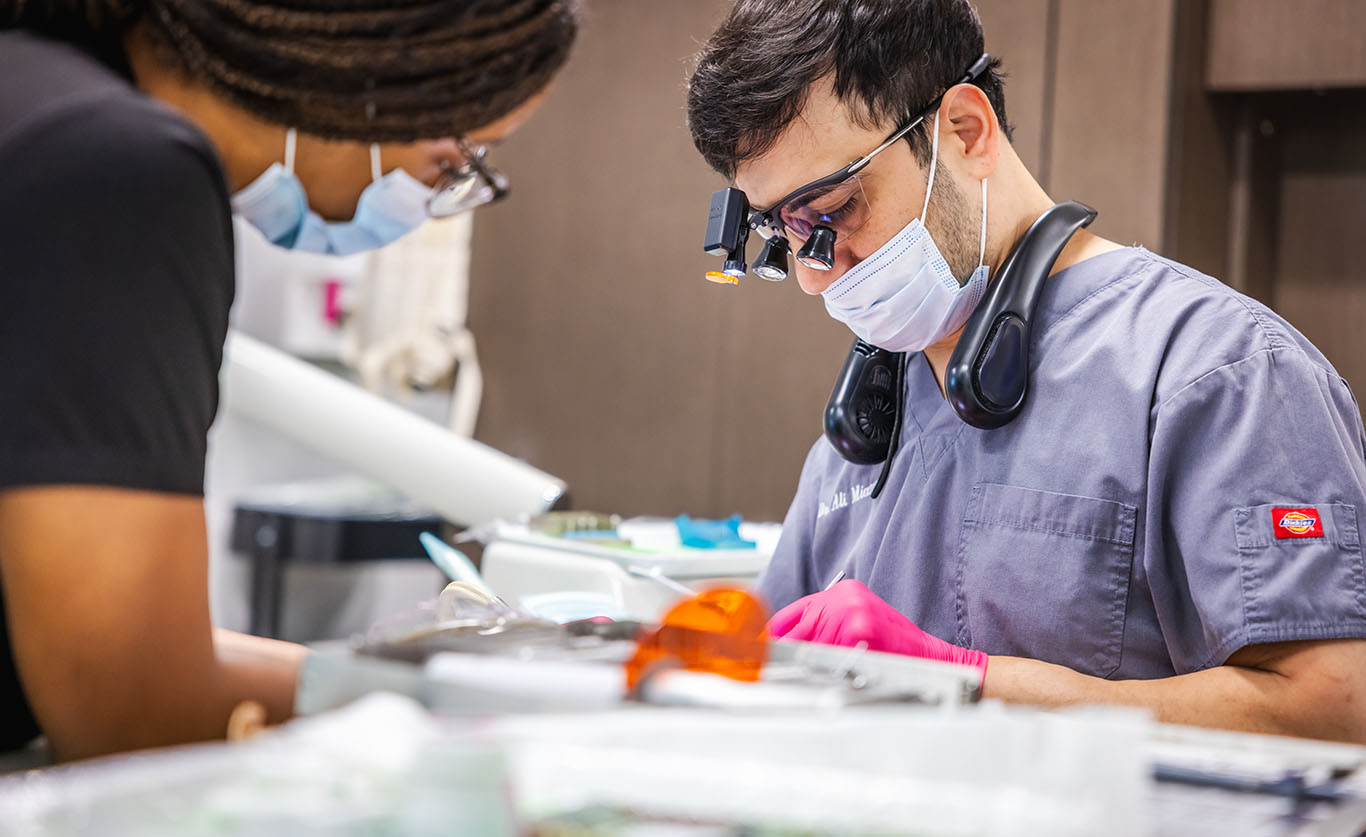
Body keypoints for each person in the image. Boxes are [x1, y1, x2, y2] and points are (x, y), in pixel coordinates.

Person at [687, 0, 1366, 742]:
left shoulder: (1221, 373)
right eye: (785, 235)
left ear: (965, 132)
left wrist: (972, 686)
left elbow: (1336, 710)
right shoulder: (869, 416)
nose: (817, 280)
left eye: (838, 210)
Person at [0, 0, 578, 760]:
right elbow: (131, 712)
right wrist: (446, 705)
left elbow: (113, 648)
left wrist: (405, 680)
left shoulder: (33, 85)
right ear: (377, 68)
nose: (441, 198)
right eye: (459, 161)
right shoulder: (119, 169)